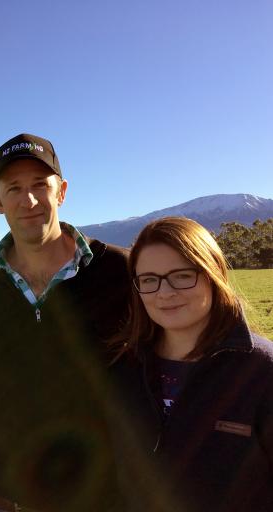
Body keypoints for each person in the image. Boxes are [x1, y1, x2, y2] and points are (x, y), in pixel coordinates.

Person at [0, 133, 131, 512]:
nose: (29, 200)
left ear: (62, 191)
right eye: (14, 188)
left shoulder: (118, 272)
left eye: (41, 184)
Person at [109, 216, 273, 512]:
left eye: (182, 275)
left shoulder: (262, 372)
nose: (165, 292)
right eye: (149, 280)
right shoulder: (124, 369)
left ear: (212, 274)